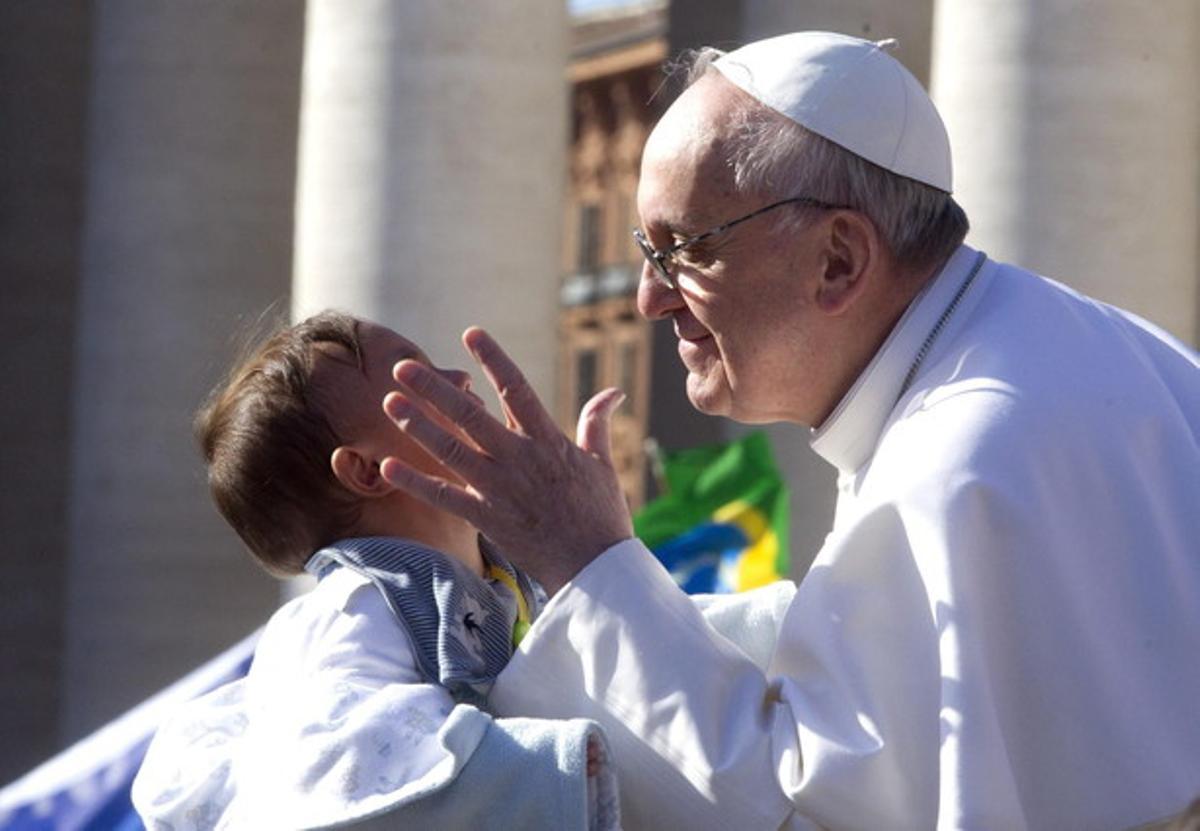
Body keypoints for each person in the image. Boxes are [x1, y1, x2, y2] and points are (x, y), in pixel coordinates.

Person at [375, 32, 1200, 831]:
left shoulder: (951, 468)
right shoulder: (1114, 350)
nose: (649, 298)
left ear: (839, 259)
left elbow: (794, 812)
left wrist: (588, 561)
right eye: (643, 250)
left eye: (683, 250)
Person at [131, 311, 619, 830]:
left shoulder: (506, 577)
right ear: (366, 471)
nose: (458, 380)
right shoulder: (358, 605)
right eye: (417, 375)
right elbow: (336, 771)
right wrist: (546, 768)